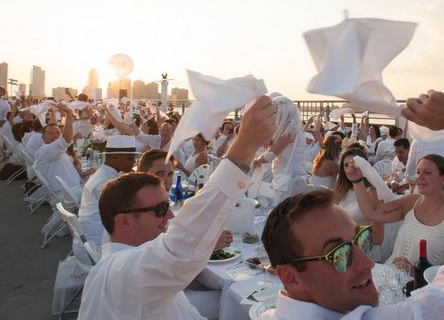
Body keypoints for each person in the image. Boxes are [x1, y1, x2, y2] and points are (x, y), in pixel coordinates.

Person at [259, 90, 444, 320]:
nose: (368, 262)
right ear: (289, 278)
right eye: (340, 253)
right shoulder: (410, 203)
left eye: (357, 241)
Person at [78, 95, 276, 319]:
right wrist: (245, 144)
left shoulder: (130, 266)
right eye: (160, 209)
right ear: (124, 221)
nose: (171, 214)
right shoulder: (120, 273)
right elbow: (180, 247)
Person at [348, 153, 444, 268]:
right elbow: (371, 213)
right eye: (418, 172)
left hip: (425, 286)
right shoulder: (410, 202)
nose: (419, 177)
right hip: (390, 278)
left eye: (427, 173)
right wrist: (357, 181)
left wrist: (416, 272)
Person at [77, 135, 138, 261]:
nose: (134, 161)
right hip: (97, 244)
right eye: (130, 158)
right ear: (114, 157)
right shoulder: (105, 181)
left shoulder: (105, 173)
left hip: (91, 238)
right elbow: (129, 209)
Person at [33, 103, 83, 200]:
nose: (55, 136)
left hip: (74, 188)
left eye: (58, 133)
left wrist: (82, 174)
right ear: (43, 138)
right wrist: (69, 113)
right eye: (50, 134)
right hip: (68, 194)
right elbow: (67, 139)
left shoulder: (53, 150)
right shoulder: (46, 151)